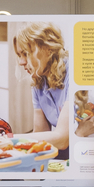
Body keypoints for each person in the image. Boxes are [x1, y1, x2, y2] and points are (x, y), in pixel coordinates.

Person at [13, 22, 70, 155]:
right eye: (19, 55)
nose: (21, 62)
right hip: (62, 151)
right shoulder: (39, 80)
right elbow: (40, 135)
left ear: (48, 49)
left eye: (25, 54)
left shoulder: (74, 74)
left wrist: (5, 139)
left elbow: (62, 139)